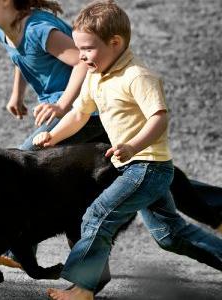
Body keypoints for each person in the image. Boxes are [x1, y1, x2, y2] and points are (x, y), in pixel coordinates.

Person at [0, 0, 222, 272]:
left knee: (25, 162)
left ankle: (21, 249)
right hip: (78, 111)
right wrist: (17, 94)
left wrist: (62, 104)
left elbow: (80, 62)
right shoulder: (5, 31)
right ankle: (215, 208)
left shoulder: (40, 29)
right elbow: (22, 58)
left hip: (86, 112)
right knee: (148, 176)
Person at [30, 1, 222, 299]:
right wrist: (52, 135)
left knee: (97, 215)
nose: (81, 56)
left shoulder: (137, 77)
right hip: (133, 167)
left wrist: (134, 145)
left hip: (148, 166)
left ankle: (84, 287)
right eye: (78, 48)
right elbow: (79, 114)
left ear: (115, 43)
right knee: (170, 235)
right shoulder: (96, 76)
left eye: (88, 49)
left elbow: (159, 119)